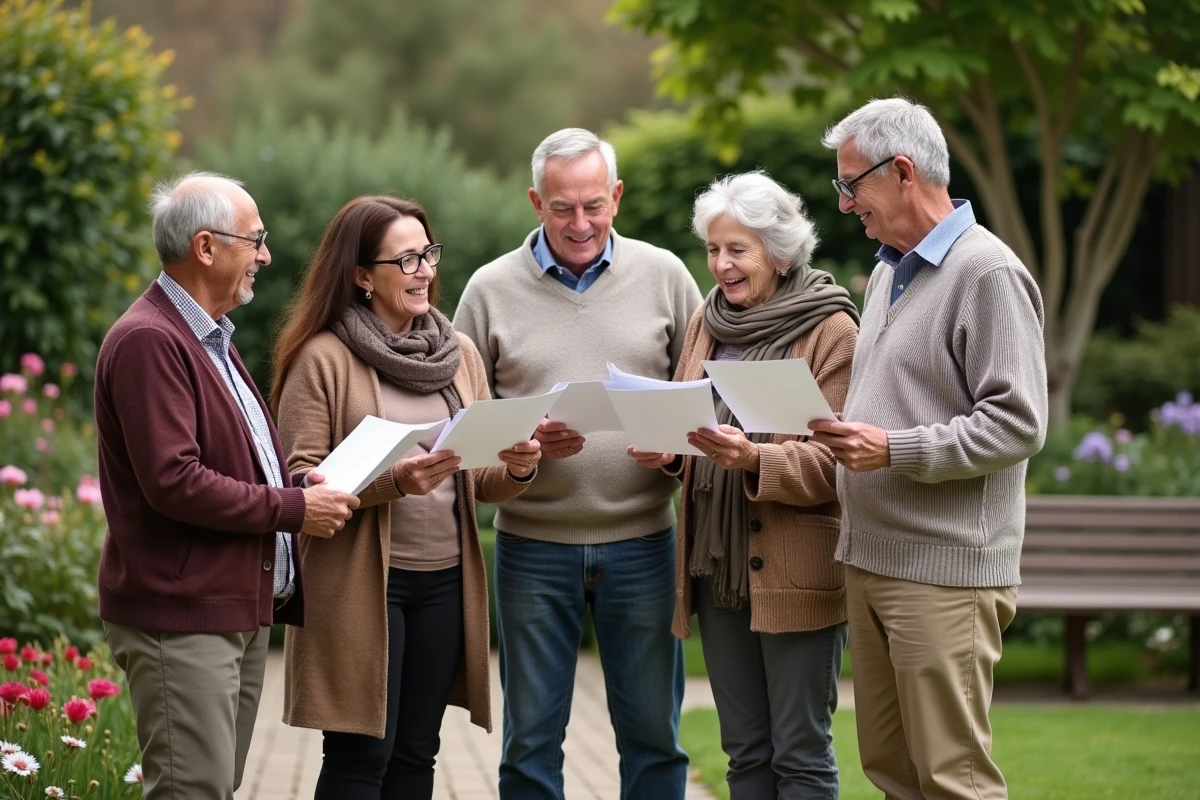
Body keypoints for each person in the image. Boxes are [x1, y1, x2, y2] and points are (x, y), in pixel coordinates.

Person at [453, 128, 702, 799]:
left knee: (654, 737)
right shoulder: (488, 290)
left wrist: (674, 450)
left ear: (616, 197)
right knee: (530, 742)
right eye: (562, 208)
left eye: (593, 204)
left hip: (646, 541)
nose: (580, 223)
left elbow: (703, 399)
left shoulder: (667, 277)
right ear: (536, 201)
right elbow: (465, 429)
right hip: (532, 546)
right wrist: (522, 449)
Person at [811, 97, 1048, 800]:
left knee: (952, 780)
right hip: (873, 559)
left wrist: (893, 450)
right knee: (893, 775)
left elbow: (1017, 423)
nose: (848, 204)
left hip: (943, 575)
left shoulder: (987, 273)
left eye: (852, 185)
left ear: (903, 171)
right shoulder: (889, 269)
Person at [94, 172, 360, 800]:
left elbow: (223, 462)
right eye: (255, 240)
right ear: (207, 247)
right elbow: (174, 482)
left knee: (213, 785)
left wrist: (297, 482)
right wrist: (295, 507)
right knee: (193, 789)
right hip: (182, 613)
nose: (266, 256)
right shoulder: (150, 341)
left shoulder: (207, 337)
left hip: (226, 606)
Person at [271, 195, 541, 800]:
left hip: (445, 580)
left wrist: (518, 468)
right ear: (362, 275)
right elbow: (300, 483)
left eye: (428, 254)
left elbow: (478, 476)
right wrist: (396, 482)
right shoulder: (323, 357)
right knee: (361, 756)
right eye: (407, 259)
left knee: (419, 751)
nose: (424, 271)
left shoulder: (458, 353)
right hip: (364, 585)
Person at [628, 172, 859, 799]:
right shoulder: (707, 319)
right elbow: (693, 420)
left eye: (738, 250)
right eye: (713, 249)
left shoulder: (831, 330)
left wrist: (755, 461)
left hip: (796, 569)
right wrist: (672, 453)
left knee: (801, 753)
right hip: (717, 565)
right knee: (745, 754)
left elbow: (840, 463)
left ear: (779, 253)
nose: (721, 264)